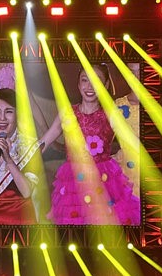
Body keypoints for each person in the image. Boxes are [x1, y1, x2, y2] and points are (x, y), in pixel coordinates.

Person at [40, 64, 139, 225]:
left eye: (96, 80)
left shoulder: (111, 113)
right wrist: (21, 158)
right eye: (85, 80)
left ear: (106, 84)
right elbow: (44, 142)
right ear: (78, 84)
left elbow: (132, 142)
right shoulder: (68, 113)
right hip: (73, 182)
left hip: (104, 180)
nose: (89, 86)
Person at [0, 88, 40, 224]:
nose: (2, 118)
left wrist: (8, 159)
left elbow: (26, 191)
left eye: (9, 112)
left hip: (22, 224)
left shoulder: (30, 147)